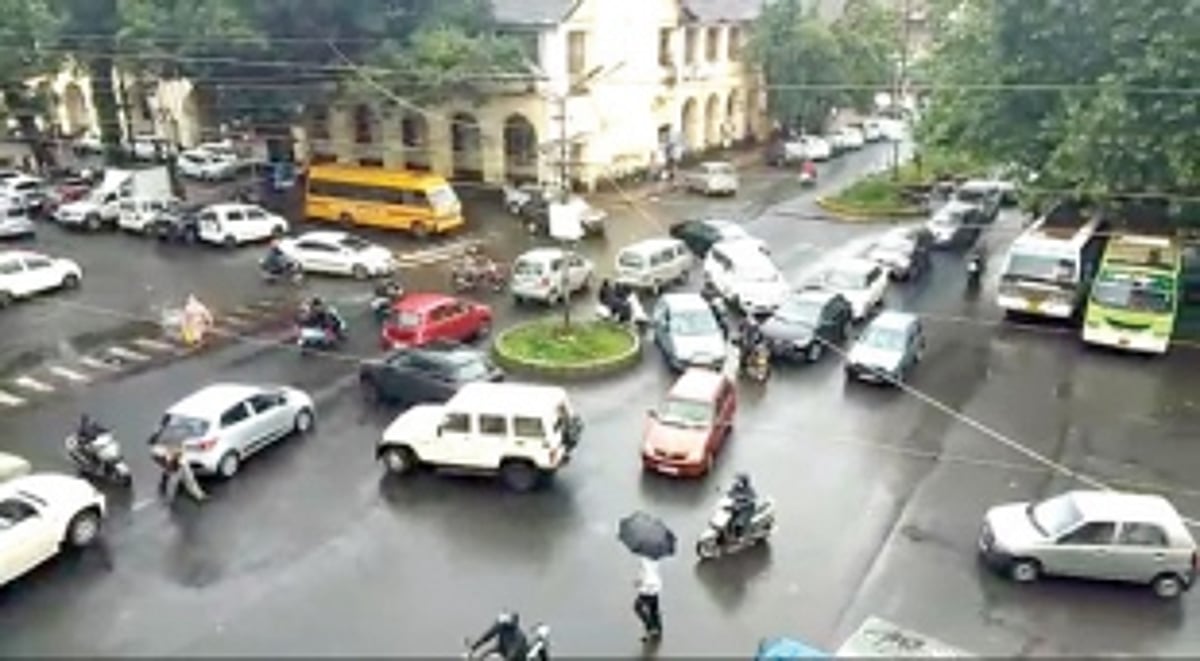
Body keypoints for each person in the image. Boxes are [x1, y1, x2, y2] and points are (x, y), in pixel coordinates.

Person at [148, 437, 206, 503]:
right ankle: (164, 485)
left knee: (187, 478)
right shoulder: (160, 451)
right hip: (170, 458)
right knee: (172, 472)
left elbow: (190, 480)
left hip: (174, 458)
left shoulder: (182, 462)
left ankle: (198, 495)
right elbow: (156, 454)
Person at [633, 558, 663, 642]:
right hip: (656, 587)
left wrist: (637, 582)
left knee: (638, 607)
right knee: (654, 609)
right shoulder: (656, 559)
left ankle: (649, 626)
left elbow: (642, 575)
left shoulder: (644, 561)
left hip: (646, 588)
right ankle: (657, 626)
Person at [726, 472, 758, 539]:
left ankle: (740, 536)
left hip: (747, 508)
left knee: (739, 522)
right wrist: (727, 493)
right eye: (737, 480)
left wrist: (743, 500)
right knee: (729, 518)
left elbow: (753, 499)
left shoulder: (749, 490)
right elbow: (731, 493)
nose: (737, 482)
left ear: (744, 482)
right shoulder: (736, 487)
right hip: (737, 507)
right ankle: (729, 532)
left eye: (739, 481)